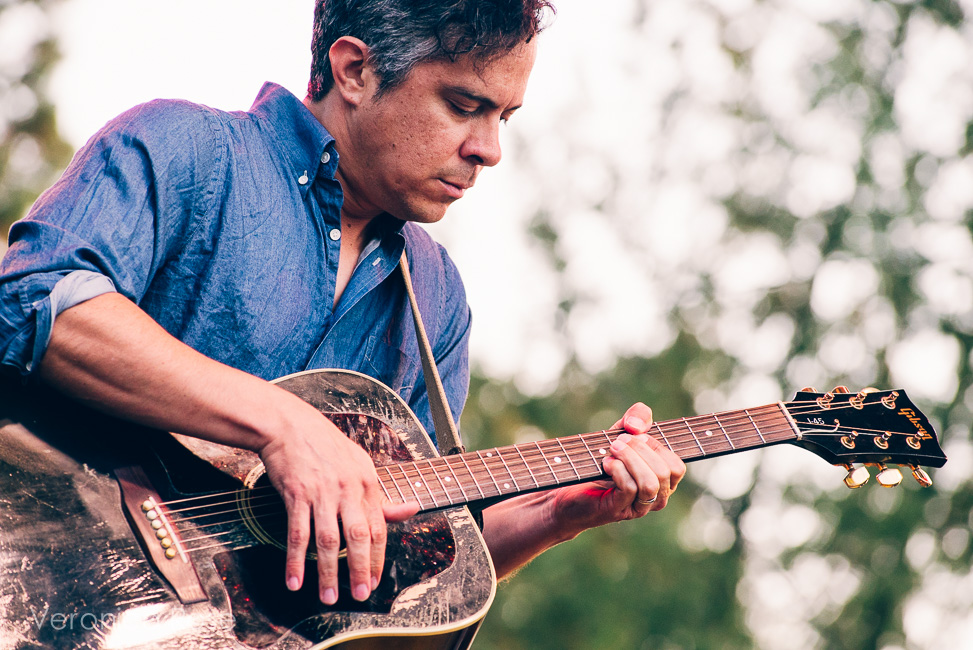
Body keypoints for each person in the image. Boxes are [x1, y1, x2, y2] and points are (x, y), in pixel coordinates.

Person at [0, 0, 685, 607]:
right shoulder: (185, 148)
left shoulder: (436, 295)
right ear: (354, 70)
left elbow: (410, 554)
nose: (489, 150)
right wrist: (285, 428)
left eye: (504, 116)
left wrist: (557, 515)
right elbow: (36, 302)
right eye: (463, 105)